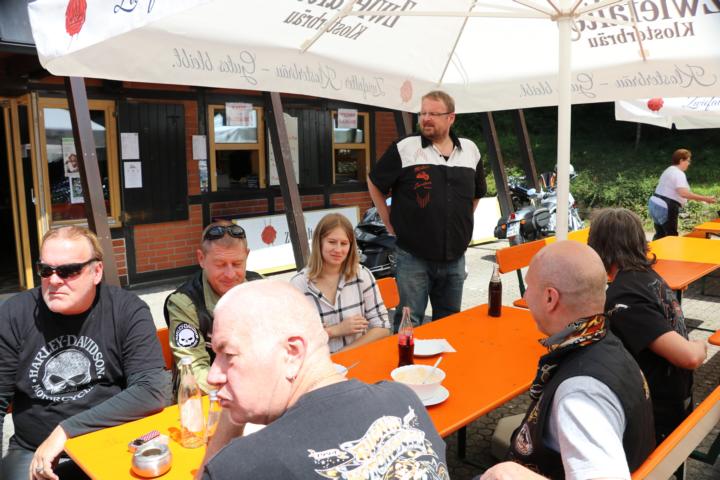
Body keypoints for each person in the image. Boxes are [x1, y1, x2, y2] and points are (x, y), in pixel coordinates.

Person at [198, 279, 449, 479]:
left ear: (292, 353)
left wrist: (227, 427)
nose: (213, 375)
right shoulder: (403, 399)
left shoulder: (240, 465)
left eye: (228, 355)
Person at [0, 226, 170, 480]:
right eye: (45, 270)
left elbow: (152, 390)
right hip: (33, 450)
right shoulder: (15, 314)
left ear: (97, 271)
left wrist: (66, 430)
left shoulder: (126, 310)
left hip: (108, 441)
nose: (54, 280)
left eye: (68, 271)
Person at [482, 241, 655, 480]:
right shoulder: (604, 342)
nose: (524, 295)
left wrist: (508, 472)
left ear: (550, 298)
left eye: (529, 287)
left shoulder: (581, 394)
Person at [368, 90, 486, 328]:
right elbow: (374, 181)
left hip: (455, 257)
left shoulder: (470, 150)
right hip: (413, 257)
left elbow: (476, 194)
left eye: (433, 114)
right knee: (409, 324)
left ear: (451, 117)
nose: (425, 119)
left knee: (450, 324)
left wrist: (458, 221)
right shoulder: (405, 147)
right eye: (422, 113)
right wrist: (387, 220)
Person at [588, 207, 707, 444]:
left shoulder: (625, 297)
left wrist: (700, 346)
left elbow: (689, 358)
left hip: (656, 415)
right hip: (675, 401)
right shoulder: (646, 276)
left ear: (599, 247)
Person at [164, 220, 262, 393]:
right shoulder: (185, 303)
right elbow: (194, 371)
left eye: (237, 264)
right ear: (201, 259)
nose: (230, 274)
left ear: (247, 256)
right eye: (220, 265)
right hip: (210, 397)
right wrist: (245, 388)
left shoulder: (261, 288)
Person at [290, 213, 391, 353]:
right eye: (332, 242)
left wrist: (342, 354)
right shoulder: (298, 284)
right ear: (319, 242)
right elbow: (293, 341)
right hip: (317, 363)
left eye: (344, 243)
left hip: (357, 358)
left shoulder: (362, 275)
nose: (338, 250)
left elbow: (382, 327)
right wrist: (336, 330)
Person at [648, 148, 716, 240]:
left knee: (660, 235)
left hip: (655, 203)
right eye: (688, 160)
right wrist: (705, 198)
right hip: (666, 206)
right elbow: (683, 193)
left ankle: (652, 249)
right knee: (671, 237)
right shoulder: (678, 173)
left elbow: (680, 193)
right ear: (681, 160)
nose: (689, 163)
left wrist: (700, 199)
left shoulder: (669, 170)